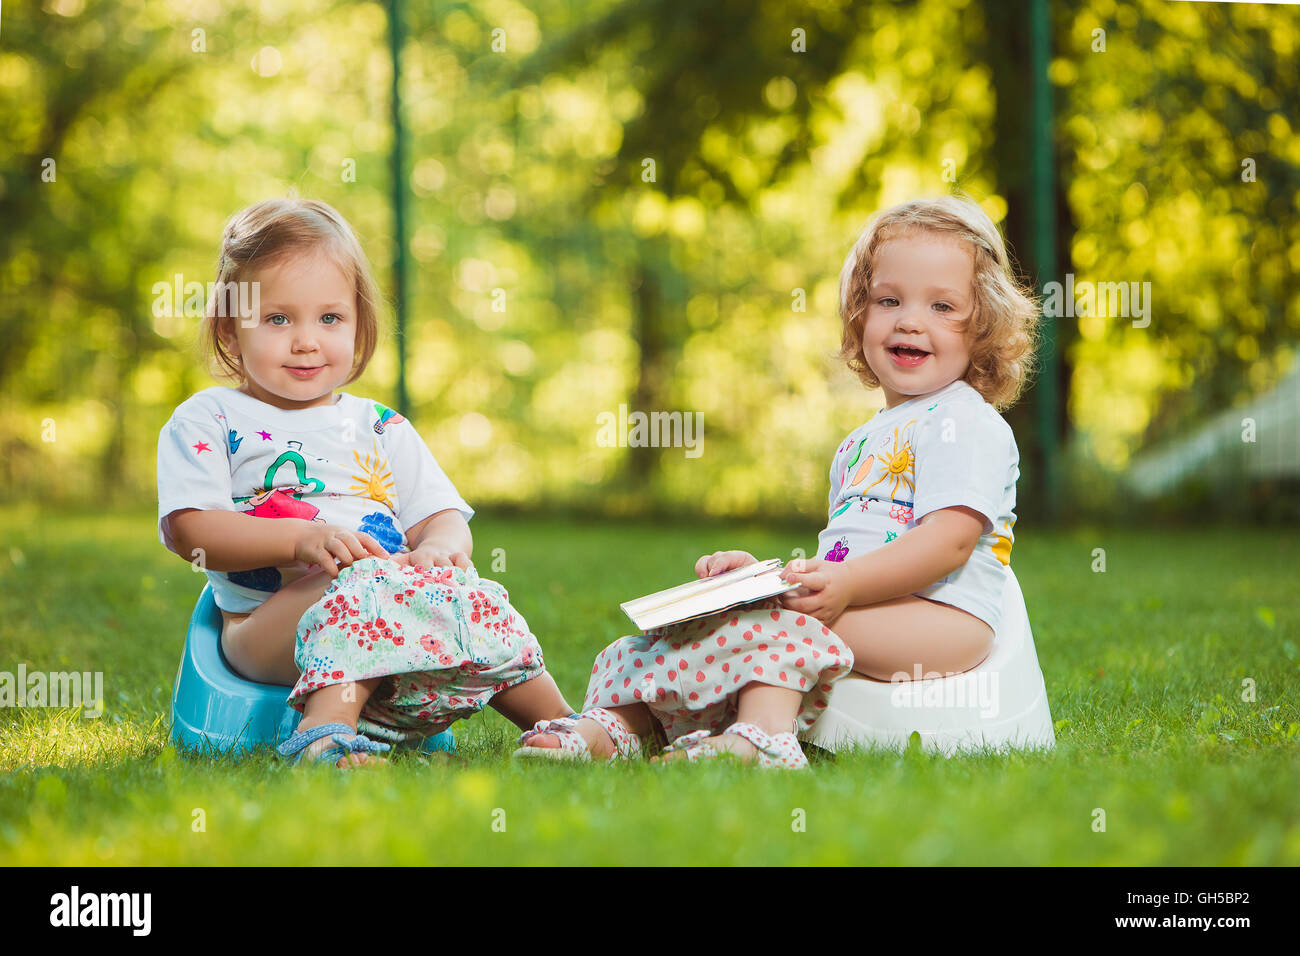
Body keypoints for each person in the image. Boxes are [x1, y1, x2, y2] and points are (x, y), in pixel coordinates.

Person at [515, 194, 1040, 769]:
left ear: (983, 325)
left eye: (943, 306)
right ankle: (613, 726)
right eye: (889, 300)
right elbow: (845, 555)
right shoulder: (862, 441)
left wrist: (839, 587)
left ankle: (762, 740)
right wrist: (769, 577)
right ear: (860, 314)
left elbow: (949, 542)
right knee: (707, 623)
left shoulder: (964, 422)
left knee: (782, 623)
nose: (910, 320)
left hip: (942, 619)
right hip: (869, 601)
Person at [156, 198, 578, 768]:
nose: (307, 340)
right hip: (267, 630)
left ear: (358, 325)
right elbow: (191, 530)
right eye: (278, 319)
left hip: (390, 600)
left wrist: (440, 549)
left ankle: (563, 727)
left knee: (475, 598)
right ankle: (325, 736)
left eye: (329, 318)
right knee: (360, 584)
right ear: (230, 332)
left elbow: (440, 515)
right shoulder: (210, 418)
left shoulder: (378, 425)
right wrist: (299, 542)